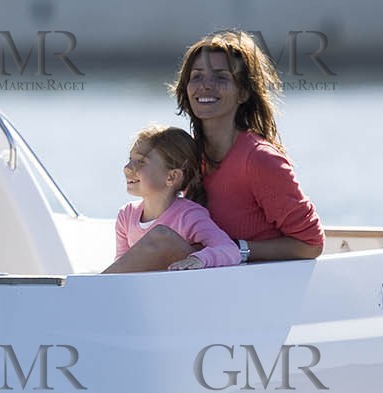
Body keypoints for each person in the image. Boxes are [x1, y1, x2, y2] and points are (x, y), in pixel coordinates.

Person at [110, 31, 323, 272]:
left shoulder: (260, 159)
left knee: (162, 238)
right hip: (195, 280)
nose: (206, 85)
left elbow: (311, 244)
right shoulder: (187, 155)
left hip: (248, 284)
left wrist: (235, 249)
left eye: (221, 77)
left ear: (243, 92)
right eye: (197, 76)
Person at [101, 125, 239, 273]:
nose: (127, 168)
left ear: (172, 176)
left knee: (160, 235)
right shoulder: (126, 215)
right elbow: (121, 267)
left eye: (140, 161)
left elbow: (230, 250)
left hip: (175, 289)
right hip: (144, 291)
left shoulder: (189, 216)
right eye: (130, 159)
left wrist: (198, 259)